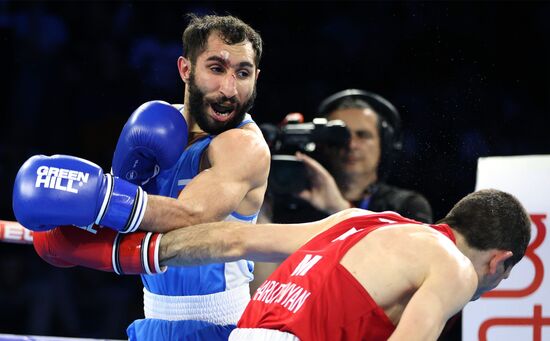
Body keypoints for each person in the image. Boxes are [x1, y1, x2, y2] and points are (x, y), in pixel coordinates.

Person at [13, 14, 270, 340]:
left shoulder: (243, 144)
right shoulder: (156, 127)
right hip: (151, 323)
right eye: (216, 68)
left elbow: (192, 216)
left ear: (256, 77)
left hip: (219, 326)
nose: (229, 89)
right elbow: (128, 219)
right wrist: (78, 226)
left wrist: (103, 196)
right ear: (186, 69)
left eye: (243, 73)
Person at [155, 188, 531, 341]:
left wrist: (140, 250)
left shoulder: (360, 220)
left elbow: (236, 239)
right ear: (500, 261)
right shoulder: (457, 268)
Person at [268, 89, 433, 225]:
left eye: (363, 135)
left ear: (385, 143)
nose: (351, 145)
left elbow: (406, 259)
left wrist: (338, 208)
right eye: (340, 136)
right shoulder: (295, 200)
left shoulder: (407, 206)